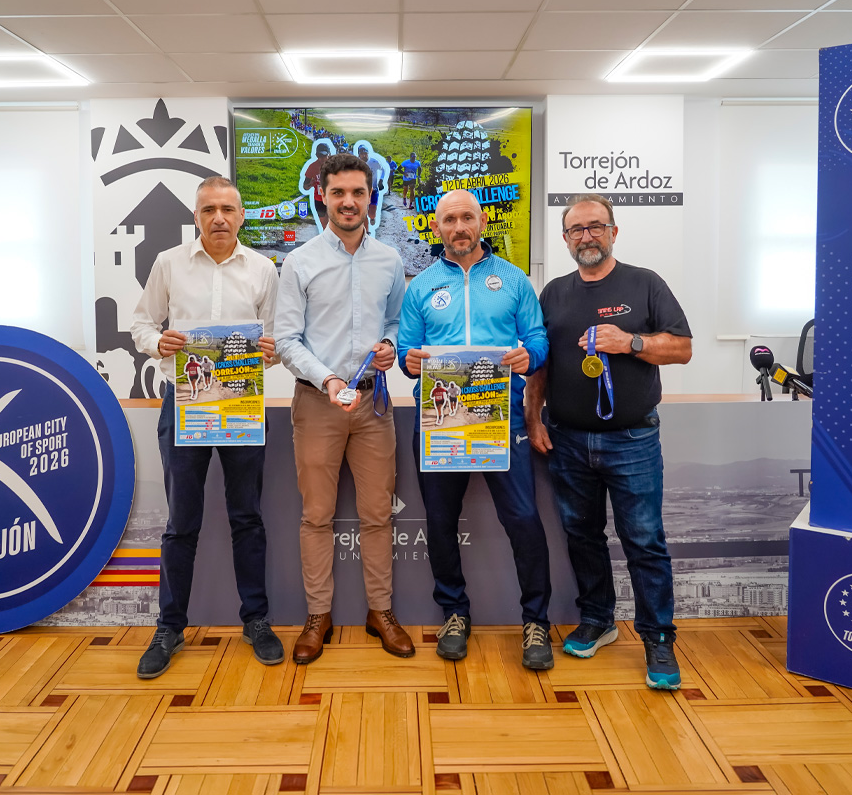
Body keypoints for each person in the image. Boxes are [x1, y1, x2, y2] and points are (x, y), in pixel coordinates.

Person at [525, 193, 692, 691]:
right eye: (576, 229)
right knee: (582, 536)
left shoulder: (645, 283)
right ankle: (598, 620)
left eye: (596, 226)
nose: (587, 236)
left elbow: (682, 348)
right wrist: (533, 418)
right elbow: (541, 365)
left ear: (613, 231)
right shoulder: (554, 293)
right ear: (565, 239)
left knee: (644, 541)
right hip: (567, 439)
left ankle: (657, 638)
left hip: (632, 440)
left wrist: (631, 342)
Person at [131, 176, 283, 677]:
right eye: (208, 209)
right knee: (181, 522)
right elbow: (141, 324)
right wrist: (158, 343)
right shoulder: (169, 263)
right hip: (184, 404)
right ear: (195, 216)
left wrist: (269, 351)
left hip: (241, 403)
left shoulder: (263, 269)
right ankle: (170, 626)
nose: (218, 217)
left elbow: (274, 339)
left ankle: (256, 620)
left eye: (227, 209)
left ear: (242, 216)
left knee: (247, 517)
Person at [398, 189, 553, 670]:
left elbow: (538, 338)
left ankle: (536, 621)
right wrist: (409, 360)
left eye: (467, 217)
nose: (459, 227)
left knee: (523, 519)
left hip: (500, 417)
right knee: (440, 521)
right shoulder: (421, 287)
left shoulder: (514, 280)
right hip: (440, 419)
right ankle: (454, 613)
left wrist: (531, 355)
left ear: (482, 222)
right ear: (436, 227)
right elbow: (406, 350)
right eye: (449, 219)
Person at [275, 153, 414, 664]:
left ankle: (381, 613)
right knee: (317, 516)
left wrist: (390, 345)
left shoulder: (390, 261)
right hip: (317, 405)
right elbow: (286, 339)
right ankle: (318, 616)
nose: (349, 202)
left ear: (370, 197)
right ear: (323, 196)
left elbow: (396, 322)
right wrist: (329, 379)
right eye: (338, 193)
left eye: (358, 192)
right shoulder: (300, 262)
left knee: (378, 514)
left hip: (374, 404)